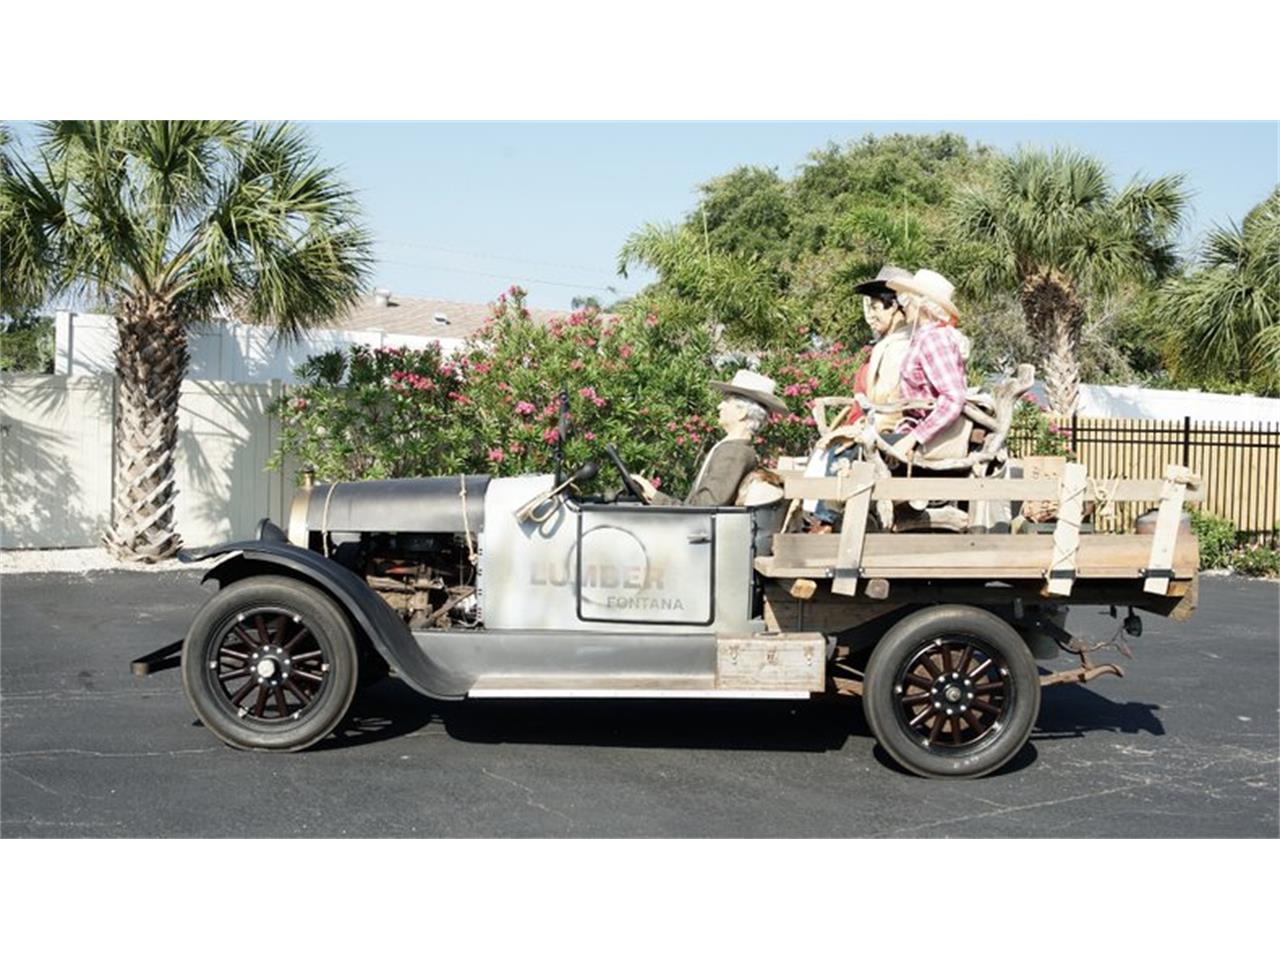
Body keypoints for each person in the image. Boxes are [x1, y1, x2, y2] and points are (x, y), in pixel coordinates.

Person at [631, 369, 787, 507]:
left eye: (727, 401)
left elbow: (705, 508)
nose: (720, 406)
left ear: (742, 413)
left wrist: (656, 496)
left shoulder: (734, 452)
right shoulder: (732, 447)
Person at [882, 268, 970, 463]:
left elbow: (954, 397)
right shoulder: (924, 337)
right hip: (915, 431)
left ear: (920, 304)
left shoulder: (935, 339)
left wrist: (912, 439)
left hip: (929, 442)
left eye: (907, 299)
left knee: (843, 455)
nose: (903, 305)